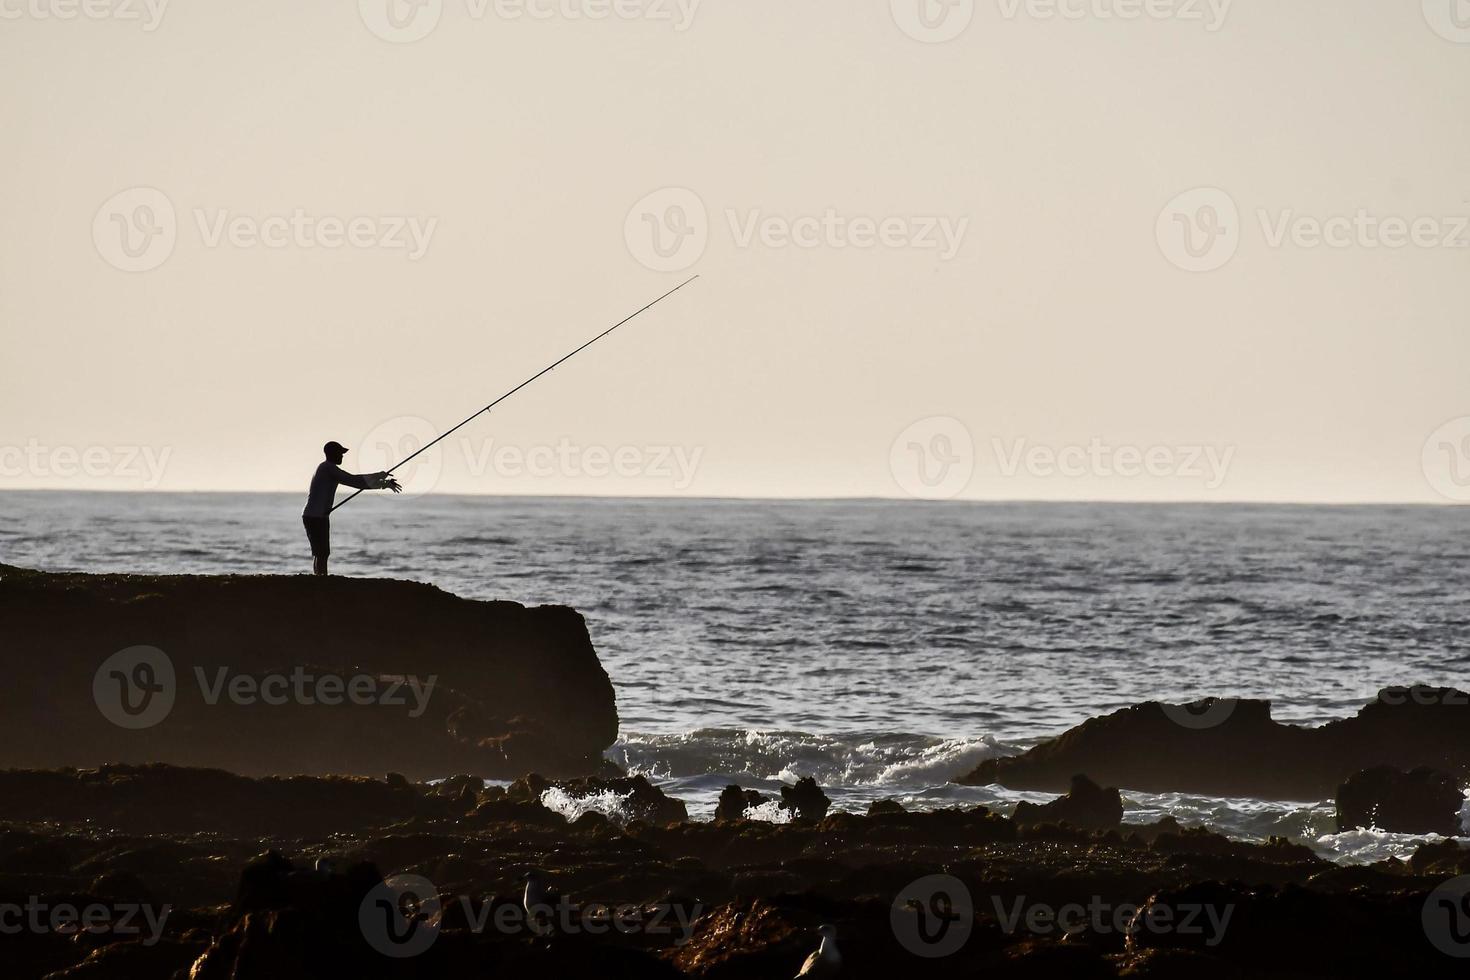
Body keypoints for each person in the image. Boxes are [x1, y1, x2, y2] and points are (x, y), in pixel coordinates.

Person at [302, 441, 401, 576]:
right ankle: (321, 580)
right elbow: (354, 480)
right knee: (322, 552)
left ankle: (319, 578)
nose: (342, 456)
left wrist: (384, 482)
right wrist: (380, 478)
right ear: (333, 454)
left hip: (316, 515)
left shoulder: (327, 468)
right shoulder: (328, 468)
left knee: (320, 552)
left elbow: (357, 482)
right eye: (340, 454)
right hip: (316, 516)